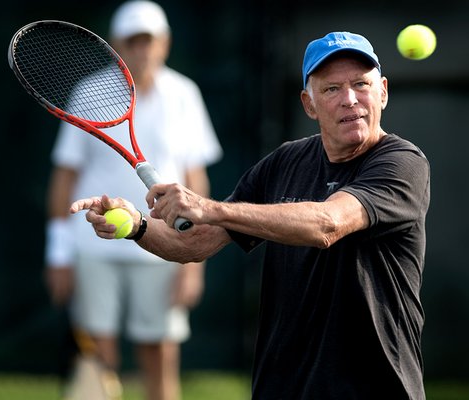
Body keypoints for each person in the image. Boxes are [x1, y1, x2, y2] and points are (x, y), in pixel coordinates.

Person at [71, 31, 430, 399]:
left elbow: (328, 223)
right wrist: (136, 225)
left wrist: (210, 208)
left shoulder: (402, 164)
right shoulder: (284, 163)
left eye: (361, 84)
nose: (350, 99)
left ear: (382, 91)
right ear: (309, 103)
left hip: (373, 388)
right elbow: (194, 243)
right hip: (282, 386)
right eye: (332, 89)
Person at [44, 1, 223, 399]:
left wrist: (194, 261)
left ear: (165, 43)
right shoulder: (88, 91)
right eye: (133, 41)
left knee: (159, 352)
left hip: (165, 247)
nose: (142, 50)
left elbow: (196, 180)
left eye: (149, 40)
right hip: (94, 242)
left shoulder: (184, 94)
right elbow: (65, 176)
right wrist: (58, 253)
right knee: (97, 356)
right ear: (116, 45)